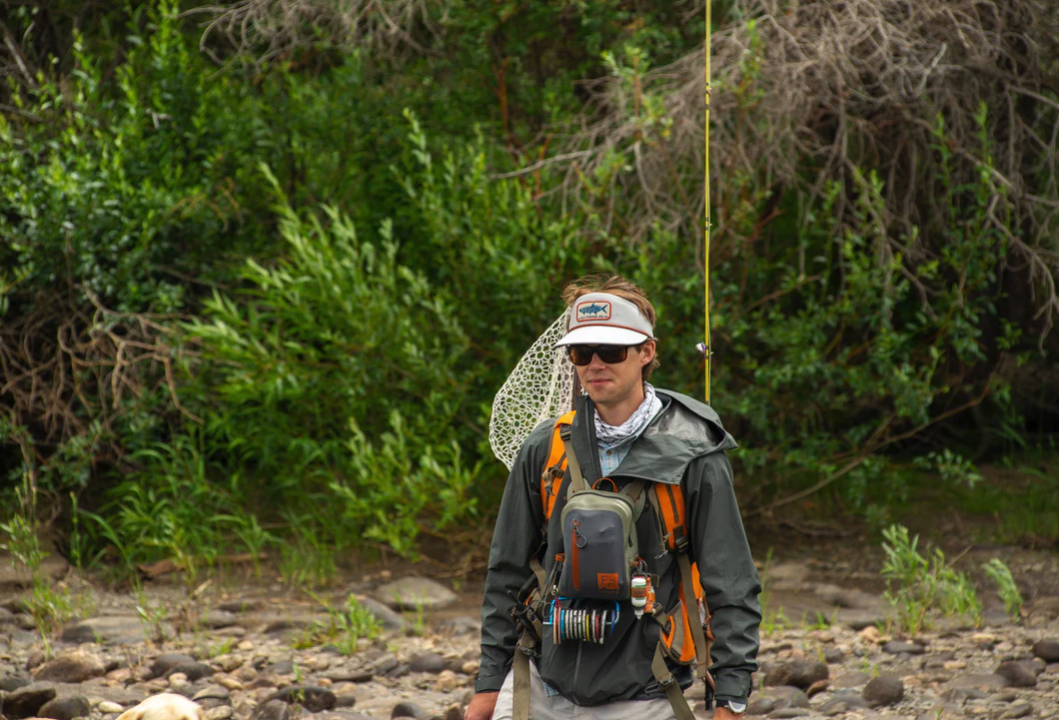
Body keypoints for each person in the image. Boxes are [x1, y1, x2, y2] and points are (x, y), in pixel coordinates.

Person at [465, 275, 761, 720]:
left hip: (649, 689)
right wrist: (490, 685)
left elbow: (731, 582)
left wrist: (731, 697)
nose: (595, 364)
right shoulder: (545, 447)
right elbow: (506, 572)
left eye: (612, 350)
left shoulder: (697, 451)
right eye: (582, 352)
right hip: (541, 681)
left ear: (647, 352)